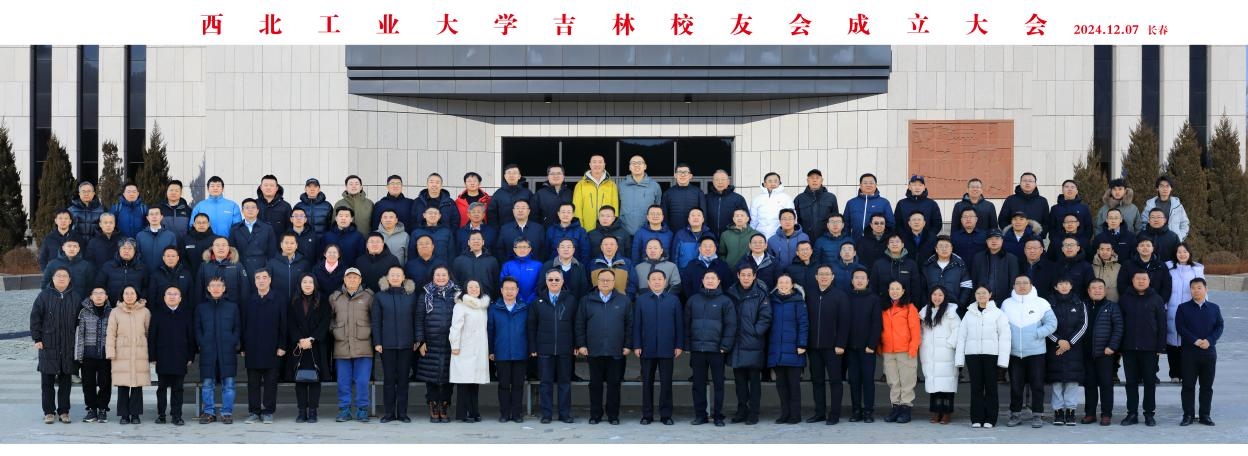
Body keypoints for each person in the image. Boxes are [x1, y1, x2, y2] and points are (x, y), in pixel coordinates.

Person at [576, 270, 633, 425]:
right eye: (602, 280)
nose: (605, 283)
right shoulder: (587, 300)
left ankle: (613, 415)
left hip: (616, 350)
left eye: (609, 280)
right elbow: (580, 323)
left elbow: (630, 325)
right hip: (594, 350)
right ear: (597, 281)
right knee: (595, 384)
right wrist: (581, 344)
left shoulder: (624, 301)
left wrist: (628, 345)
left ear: (614, 282)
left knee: (614, 384)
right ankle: (595, 414)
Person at [1002, 275, 1057, 428]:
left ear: (1031, 285)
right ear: (1013, 286)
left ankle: (1037, 415)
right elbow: (1000, 325)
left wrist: (1037, 334)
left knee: (1037, 385)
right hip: (1014, 353)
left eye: (1025, 283)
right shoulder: (1006, 304)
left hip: (1036, 353)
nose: (1022, 286)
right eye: (1018, 283)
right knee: (1015, 386)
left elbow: (1052, 323)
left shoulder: (1041, 303)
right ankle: (1015, 414)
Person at [685, 270, 736, 426]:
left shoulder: (725, 301)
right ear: (702, 280)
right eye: (707, 278)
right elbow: (686, 324)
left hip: (717, 350)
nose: (710, 281)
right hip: (697, 349)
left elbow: (731, 325)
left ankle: (718, 416)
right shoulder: (693, 300)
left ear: (718, 281)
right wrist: (687, 344)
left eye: (713, 278)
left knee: (719, 384)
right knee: (698, 385)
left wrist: (725, 346)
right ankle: (700, 415)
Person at [955, 286, 1011, 429]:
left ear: (990, 295)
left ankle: (990, 419)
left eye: (984, 293)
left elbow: (1005, 338)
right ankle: (976, 418)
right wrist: (959, 360)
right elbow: (961, 337)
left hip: (991, 355)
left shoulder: (998, 313)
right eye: (978, 293)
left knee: (991, 387)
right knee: (976, 387)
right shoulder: (969, 314)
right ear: (975, 295)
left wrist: (1003, 361)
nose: (981, 295)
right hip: (972, 355)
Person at [31, 267, 83, 424]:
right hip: (48, 344)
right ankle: (48, 412)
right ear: (53, 279)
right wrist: (37, 338)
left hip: (68, 345)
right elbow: (35, 318)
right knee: (47, 381)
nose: (61, 278)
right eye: (58, 275)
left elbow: (80, 321)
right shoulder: (44, 296)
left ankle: (64, 411)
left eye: (65, 276)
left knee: (65, 381)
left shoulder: (75, 297)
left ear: (69, 279)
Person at [634, 270, 684, 426]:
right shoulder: (641, 300)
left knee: (666, 383)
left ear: (665, 282)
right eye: (653, 279)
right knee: (647, 382)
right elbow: (637, 325)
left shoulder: (673, 300)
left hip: (667, 347)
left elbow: (679, 324)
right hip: (646, 348)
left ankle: (666, 415)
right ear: (648, 282)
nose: (657, 282)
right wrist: (637, 345)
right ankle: (647, 415)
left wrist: (679, 344)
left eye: (660, 279)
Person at [1118, 271, 1167, 426]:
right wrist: (1119, 346)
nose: (1141, 281)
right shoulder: (1125, 299)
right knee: (1131, 383)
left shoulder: (1156, 299)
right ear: (1132, 280)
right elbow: (1119, 324)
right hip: (1129, 348)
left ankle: (1149, 414)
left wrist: (1161, 347)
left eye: (1144, 279)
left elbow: (1162, 324)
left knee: (1149, 383)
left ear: (1149, 280)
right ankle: (1132, 413)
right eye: (1138, 278)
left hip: (1150, 349)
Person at [529, 269, 579, 424]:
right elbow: (531, 327)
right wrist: (533, 347)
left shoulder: (571, 300)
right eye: (550, 279)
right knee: (546, 383)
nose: (554, 282)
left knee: (565, 383)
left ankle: (565, 414)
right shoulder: (537, 302)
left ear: (562, 282)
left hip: (565, 349)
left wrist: (577, 344)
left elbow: (576, 324)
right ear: (546, 282)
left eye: (557, 279)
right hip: (544, 349)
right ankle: (546, 414)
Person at [240, 268, 288, 424]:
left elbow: (284, 324)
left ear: (270, 280)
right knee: (253, 383)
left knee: (270, 383)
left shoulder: (279, 299)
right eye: (258, 278)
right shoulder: (248, 300)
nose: (261, 280)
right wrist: (243, 347)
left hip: (272, 348)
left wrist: (282, 345)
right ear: (254, 281)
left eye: (264, 277)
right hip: (252, 348)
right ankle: (254, 412)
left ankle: (268, 412)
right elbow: (244, 325)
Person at [724, 265, 770, 425]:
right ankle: (742, 410)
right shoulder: (731, 293)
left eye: (749, 275)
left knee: (754, 381)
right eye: (743, 275)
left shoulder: (760, 294)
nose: (746, 278)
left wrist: (755, 332)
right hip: (736, 343)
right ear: (738, 275)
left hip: (753, 343)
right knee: (740, 382)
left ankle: (754, 412)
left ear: (754, 276)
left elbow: (766, 317)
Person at [373, 266, 418, 423]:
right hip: (387, 344)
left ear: (403, 277)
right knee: (389, 380)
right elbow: (376, 321)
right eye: (392, 274)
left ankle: (403, 413)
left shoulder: (411, 296)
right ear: (387, 277)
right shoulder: (380, 296)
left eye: (398, 275)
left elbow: (415, 319)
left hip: (407, 344)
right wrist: (377, 341)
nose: (395, 277)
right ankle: (389, 413)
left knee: (404, 380)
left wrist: (416, 340)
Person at [805, 265, 849, 425]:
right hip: (814, 347)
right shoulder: (810, 295)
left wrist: (841, 343)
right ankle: (819, 413)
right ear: (816, 277)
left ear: (832, 277)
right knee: (817, 381)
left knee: (835, 381)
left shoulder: (840, 296)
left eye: (827, 274)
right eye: (821, 274)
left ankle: (834, 414)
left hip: (833, 347)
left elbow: (845, 322)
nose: (824, 277)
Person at [328, 268, 374, 423]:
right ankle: (344, 410)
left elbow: (375, 318)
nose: (352, 280)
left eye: (355, 277)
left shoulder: (369, 297)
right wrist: (335, 331)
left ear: (360, 280)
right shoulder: (335, 297)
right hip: (342, 345)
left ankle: (362, 410)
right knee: (343, 381)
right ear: (344, 279)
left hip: (363, 346)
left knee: (362, 381)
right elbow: (329, 319)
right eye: (349, 277)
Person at [1175, 278, 1223, 426]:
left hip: (1209, 352)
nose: (1196, 290)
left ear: (1206, 289)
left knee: (1206, 386)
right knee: (1188, 386)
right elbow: (1180, 327)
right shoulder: (1183, 308)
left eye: (1199, 287)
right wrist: (1195, 341)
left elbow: (1219, 326)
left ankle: (1205, 415)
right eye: (1193, 288)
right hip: (1189, 353)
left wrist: (1209, 340)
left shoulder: (1214, 308)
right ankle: (1188, 415)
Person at [415, 266, 460, 423]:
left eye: (444, 275)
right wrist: (421, 341)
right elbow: (419, 319)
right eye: (437, 275)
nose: (441, 277)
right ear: (432, 277)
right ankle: (433, 405)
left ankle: (445, 405)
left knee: (449, 376)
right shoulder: (425, 294)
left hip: (451, 343)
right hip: (430, 342)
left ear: (449, 276)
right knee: (431, 376)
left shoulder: (457, 294)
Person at [195, 277, 241, 424]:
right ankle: (209, 412)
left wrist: (233, 341)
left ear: (224, 288)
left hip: (227, 350)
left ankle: (227, 413)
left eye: (219, 285)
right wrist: (202, 342)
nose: (216, 288)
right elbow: (197, 328)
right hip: (208, 351)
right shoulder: (201, 308)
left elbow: (237, 328)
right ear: (208, 288)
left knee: (229, 384)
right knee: (208, 384)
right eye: (213, 286)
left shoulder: (232, 307)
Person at [1045, 277, 1089, 426]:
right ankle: (1058, 412)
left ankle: (1070, 411)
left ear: (1071, 286)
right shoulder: (1048, 304)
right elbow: (1045, 324)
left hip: (1074, 349)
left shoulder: (1079, 303)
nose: (1064, 286)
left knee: (1072, 381)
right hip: (1055, 348)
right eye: (1060, 284)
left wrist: (1069, 343)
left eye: (1066, 284)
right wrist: (1058, 341)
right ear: (1055, 287)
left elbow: (1083, 325)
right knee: (1056, 382)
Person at [287, 274, 331, 424]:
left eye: (310, 282)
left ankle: (313, 411)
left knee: (314, 380)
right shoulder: (293, 301)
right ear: (300, 284)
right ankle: (301, 412)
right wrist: (300, 339)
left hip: (316, 346)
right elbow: (290, 323)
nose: (307, 284)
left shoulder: (323, 301)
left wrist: (312, 338)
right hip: (299, 346)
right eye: (304, 282)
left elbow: (325, 322)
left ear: (315, 284)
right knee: (299, 379)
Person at [149, 286, 195, 426]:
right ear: (164, 298)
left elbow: (191, 337)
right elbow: (152, 337)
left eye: (175, 294)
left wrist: (190, 356)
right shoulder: (157, 314)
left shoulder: (186, 314)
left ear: (180, 298)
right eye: (169, 294)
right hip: (162, 356)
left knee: (178, 388)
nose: (172, 296)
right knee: (161, 388)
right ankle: (161, 415)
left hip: (180, 357)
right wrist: (152, 356)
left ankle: (177, 416)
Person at [767, 274, 808, 425]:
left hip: (794, 350)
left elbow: (803, 324)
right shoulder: (771, 301)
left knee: (793, 385)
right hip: (777, 350)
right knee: (781, 385)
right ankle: (785, 414)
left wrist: (802, 344)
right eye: (781, 282)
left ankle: (795, 415)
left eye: (786, 282)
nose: (783, 285)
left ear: (792, 285)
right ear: (777, 285)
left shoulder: (798, 302)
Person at [106, 286, 150, 425]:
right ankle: (124, 415)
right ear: (122, 295)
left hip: (139, 352)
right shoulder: (115, 312)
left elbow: (148, 332)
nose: (129, 296)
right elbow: (111, 333)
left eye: (132, 293)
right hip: (121, 353)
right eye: (126, 293)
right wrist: (110, 352)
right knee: (123, 385)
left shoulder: (145, 311)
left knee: (137, 386)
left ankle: (135, 414)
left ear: (137, 295)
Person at [488, 277, 530, 423]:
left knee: (518, 385)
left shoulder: (524, 308)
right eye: (506, 289)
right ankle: (505, 413)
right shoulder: (494, 308)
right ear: (501, 290)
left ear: (517, 291)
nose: (509, 292)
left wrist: (530, 349)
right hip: (501, 352)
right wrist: (491, 350)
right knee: (504, 385)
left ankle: (517, 414)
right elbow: (490, 331)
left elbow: (529, 330)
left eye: (512, 289)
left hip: (520, 352)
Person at [1083, 279, 1123, 426]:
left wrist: (1112, 346)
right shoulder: (1083, 306)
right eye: (1094, 288)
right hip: (1087, 353)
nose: (1097, 290)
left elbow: (1119, 327)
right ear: (1089, 291)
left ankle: (1106, 414)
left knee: (1106, 385)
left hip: (1105, 353)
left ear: (1105, 291)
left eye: (1100, 288)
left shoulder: (1112, 306)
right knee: (1089, 385)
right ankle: (1090, 414)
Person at [880, 280, 921, 424]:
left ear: (903, 291)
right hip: (888, 350)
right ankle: (895, 407)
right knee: (893, 381)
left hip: (905, 350)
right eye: (892, 289)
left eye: (898, 289)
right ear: (888, 291)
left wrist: (913, 347)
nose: (895, 291)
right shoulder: (884, 308)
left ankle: (905, 408)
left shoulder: (909, 307)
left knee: (907, 381)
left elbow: (915, 330)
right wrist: (880, 346)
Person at [449, 280, 490, 423]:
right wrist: (455, 345)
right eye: (470, 287)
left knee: (474, 382)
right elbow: (455, 327)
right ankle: (462, 413)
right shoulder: (460, 305)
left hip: (479, 349)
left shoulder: (482, 306)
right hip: (464, 348)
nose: (474, 289)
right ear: (465, 289)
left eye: (476, 286)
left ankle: (474, 411)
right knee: (464, 382)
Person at [920, 286, 961, 425]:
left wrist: (949, 344)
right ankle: (936, 412)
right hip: (929, 353)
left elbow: (957, 330)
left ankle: (946, 413)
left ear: (945, 297)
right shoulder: (925, 311)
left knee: (947, 384)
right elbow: (921, 331)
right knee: (934, 383)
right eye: (934, 294)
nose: (937, 297)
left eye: (940, 295)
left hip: (946, 353)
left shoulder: (950, 311)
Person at [845, 268, 882, 422]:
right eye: (856, 278)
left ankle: (868, 411)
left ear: (867, 281)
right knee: (854, 380)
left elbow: (876, 323)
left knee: (868, 381)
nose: (859, 281)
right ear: (852, 281)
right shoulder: (846, 297)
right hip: (850, 347)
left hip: (867, 348)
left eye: (862, 278)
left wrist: (871, 344)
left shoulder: (874, 299)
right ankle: (856, 411)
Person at [1166, 243, 1204, 383]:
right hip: (1171, 309)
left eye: (1185, 252)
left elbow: (1202, 289)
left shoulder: (1196, 270)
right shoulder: (1169, 268)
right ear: (1175, 254)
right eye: (1179, 252)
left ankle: (1187, 373)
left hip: (1190, 310)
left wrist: (1203, 307)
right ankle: (1174, 374)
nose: (1182, 255)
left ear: (1190, 253)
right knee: (1172, 342)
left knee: (1187, 342)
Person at [75, 287, 112, 423]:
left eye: (102, 293)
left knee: (105, 383)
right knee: (88, 384)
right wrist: (79, 355)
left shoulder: (112, 312)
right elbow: (80, 334)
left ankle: (102, 409)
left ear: (106, 296)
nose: (99, 296)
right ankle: (91, 409)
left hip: (105, 355)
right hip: (88, 354)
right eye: (95, 293)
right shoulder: (84, 312)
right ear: (91, 296)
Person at [921, 235, 972, 311]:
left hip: (954, 309)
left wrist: (959, 305)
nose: (944, 249)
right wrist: (927, 305)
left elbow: (967, 286)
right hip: (932, 308)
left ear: (951, 248)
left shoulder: (960, 265)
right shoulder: (928, 266)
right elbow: (922, 288)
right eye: (941, 246)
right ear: (936, 249)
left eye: (947, 246)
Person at [229, 198, 278, 274]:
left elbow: (272, 251)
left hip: (262, 267)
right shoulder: (235, 228)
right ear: (242, 211)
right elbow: (232, 250)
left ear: (258, 211)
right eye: (247, 207)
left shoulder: (267, 228)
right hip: (241, 266)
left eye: (253, 207)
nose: (250, 210)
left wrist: (268, 267)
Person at [572, 155, 620, 230]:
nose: (597, 164)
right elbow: (577, 209)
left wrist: (613, 227)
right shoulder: (581, 185)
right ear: (590, 165)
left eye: (600, 162)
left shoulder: (612, 185)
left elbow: (615, 208)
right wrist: (580, 228)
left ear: (604, 165)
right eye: (594, 162)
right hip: (587, 228)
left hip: (607, 230)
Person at [619, 155, 663, 234]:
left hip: (647, 231)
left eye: (639, 163)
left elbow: (657, 205)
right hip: (625, 231)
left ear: (645, 166)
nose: (636, 165)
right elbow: (617, 206)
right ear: (629, 167)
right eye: (633, 163)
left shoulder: (654, 186)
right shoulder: (621, 186)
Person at [869, 234, 920, 300]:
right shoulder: (878, 264)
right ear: (888, 245)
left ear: (902, 245)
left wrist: (913, 304)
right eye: (891, 242)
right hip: (883, 304)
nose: (894, 244)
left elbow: (916, 288)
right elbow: (873, 287)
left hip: (906, 304)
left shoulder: (911, 264)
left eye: (897, 241)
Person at [96, 238, 147, 304]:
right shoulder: (108, 266)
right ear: (119, 250)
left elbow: (146, 287)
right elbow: (99, 285)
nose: (126, 251)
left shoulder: (142, 268)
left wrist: (141, 298)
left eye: (130, 248)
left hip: (134, 306)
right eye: (124, 248)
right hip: (112, 306)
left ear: (135, 251)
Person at [844, 173, 894, 239]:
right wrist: (847, 240)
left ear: (876, 185)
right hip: (855, 241)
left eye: (871, 183)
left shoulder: (884, 202)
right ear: (860, 185)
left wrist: (884, 240)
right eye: (865, 183)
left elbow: (891, 224)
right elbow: (846, 225)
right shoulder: (851, 203)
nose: (868, 185)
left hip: (877, 242)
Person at [793, 169, 839, 240]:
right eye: (812, 178)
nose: (814, 180)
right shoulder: (799, 198)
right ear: (807, 180)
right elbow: (795, 221)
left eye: (817, 178)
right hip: (805, 239)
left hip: (826, 239)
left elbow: (836, 219)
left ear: (822, 180)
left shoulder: (831, 197)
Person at [451, 231, 501, 296]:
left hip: (486, 298)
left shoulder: (492, 260)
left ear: (483, 242)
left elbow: (496, 283)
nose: (476, 241)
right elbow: (455, 282)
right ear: (468, 242)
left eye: (478, 239)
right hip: (465, 299)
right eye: (473, 239)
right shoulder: (459, 260)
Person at [1140, 175, 1189, 241]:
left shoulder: (1177, 206)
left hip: (1173, 241)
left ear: (1171, 188)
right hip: (1154, 241)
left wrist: (1179, 238)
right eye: (1162, 186)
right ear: (1157, 188)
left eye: (1167, 186)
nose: (1165, 189)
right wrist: (1148, 238)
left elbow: (1185, 223)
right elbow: (1144, 223)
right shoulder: (1150, 205)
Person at [147, 247, 193, 314]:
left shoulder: (186, 274)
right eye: (168, 256)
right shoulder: (156, 275)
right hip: (161, 313)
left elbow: (191, 295)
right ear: (163, 258)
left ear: (178, 258)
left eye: (173, 256)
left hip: (183, 313)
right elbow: (151, 296)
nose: (170, 258)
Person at [664, 163, 706, 233]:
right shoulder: (668, 193)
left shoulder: (698, 192)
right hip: (673, 233)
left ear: (690, 176)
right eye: (679, 172)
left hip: (693, 233)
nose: (682, 175)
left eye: (685, 172)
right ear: (675, 175)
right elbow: (664, 216)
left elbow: (704, 214)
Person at [705, 170, 750, 236]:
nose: (720, 182)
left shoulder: (738, 198)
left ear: (728, 182)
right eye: (717, 180)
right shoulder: (706, 198)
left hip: (731, 236)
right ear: (713, 182)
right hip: (710, 237)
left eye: (723, 179)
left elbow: (746, 219)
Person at [267, 233, 310, 300]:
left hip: (297, 301)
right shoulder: (272, 263)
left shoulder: (304, 264)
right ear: (281, 245)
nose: (289, 246)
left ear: (296, 245)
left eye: (292, 243)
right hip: (277, 301)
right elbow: (267, 284)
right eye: (286, 243)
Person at [749, 171, 793, 238]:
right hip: (760, 235)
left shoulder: (786, 198)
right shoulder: (757, 199)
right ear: (765, 183)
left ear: (779, 183)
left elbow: (792, 218)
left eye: (775, 181)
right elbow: (753, 220)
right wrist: (751, 233)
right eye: (770, 181)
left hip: (780, 235)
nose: (773, 183)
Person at [499, 238, 542, 303]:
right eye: (519, 247)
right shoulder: (507, 265)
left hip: (534, 302)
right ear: (514, 249)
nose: (522, 250)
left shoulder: (538, 265)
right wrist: (518, 297)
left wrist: (533, 297)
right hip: (514, 302)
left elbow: (541, 285)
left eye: (525, 247)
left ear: (530, 249)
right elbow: (503, 284)